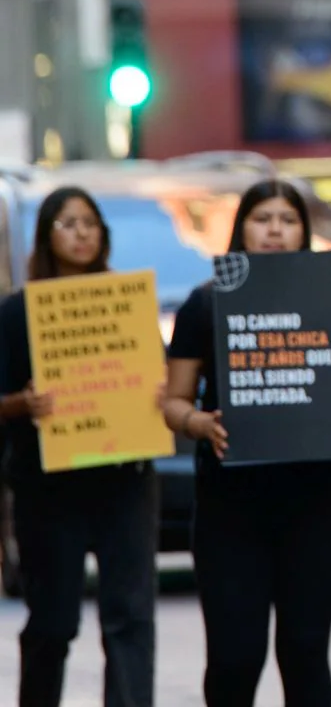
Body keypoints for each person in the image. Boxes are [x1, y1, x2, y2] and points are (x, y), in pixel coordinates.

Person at [162, 179, 331, 707]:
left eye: (287, 219)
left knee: (305, 652)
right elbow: (172, 400)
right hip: (231, 509)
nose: (275, 230)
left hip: (317, 503)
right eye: (263, 219)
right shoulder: (205, 304)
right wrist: (198, 424)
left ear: (303, 230)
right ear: (242, 229)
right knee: (235, 658)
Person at [0, 188, 158, 707]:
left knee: (130, 616)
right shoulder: (16, 313)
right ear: (46, 235)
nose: (81, 232)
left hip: (124, 478)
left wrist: (159, 396)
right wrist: (23, 404)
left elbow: (160, 384)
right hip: (48, 487)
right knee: (51, 621)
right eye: (68, 223)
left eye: (90, 223)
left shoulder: (127, 304)